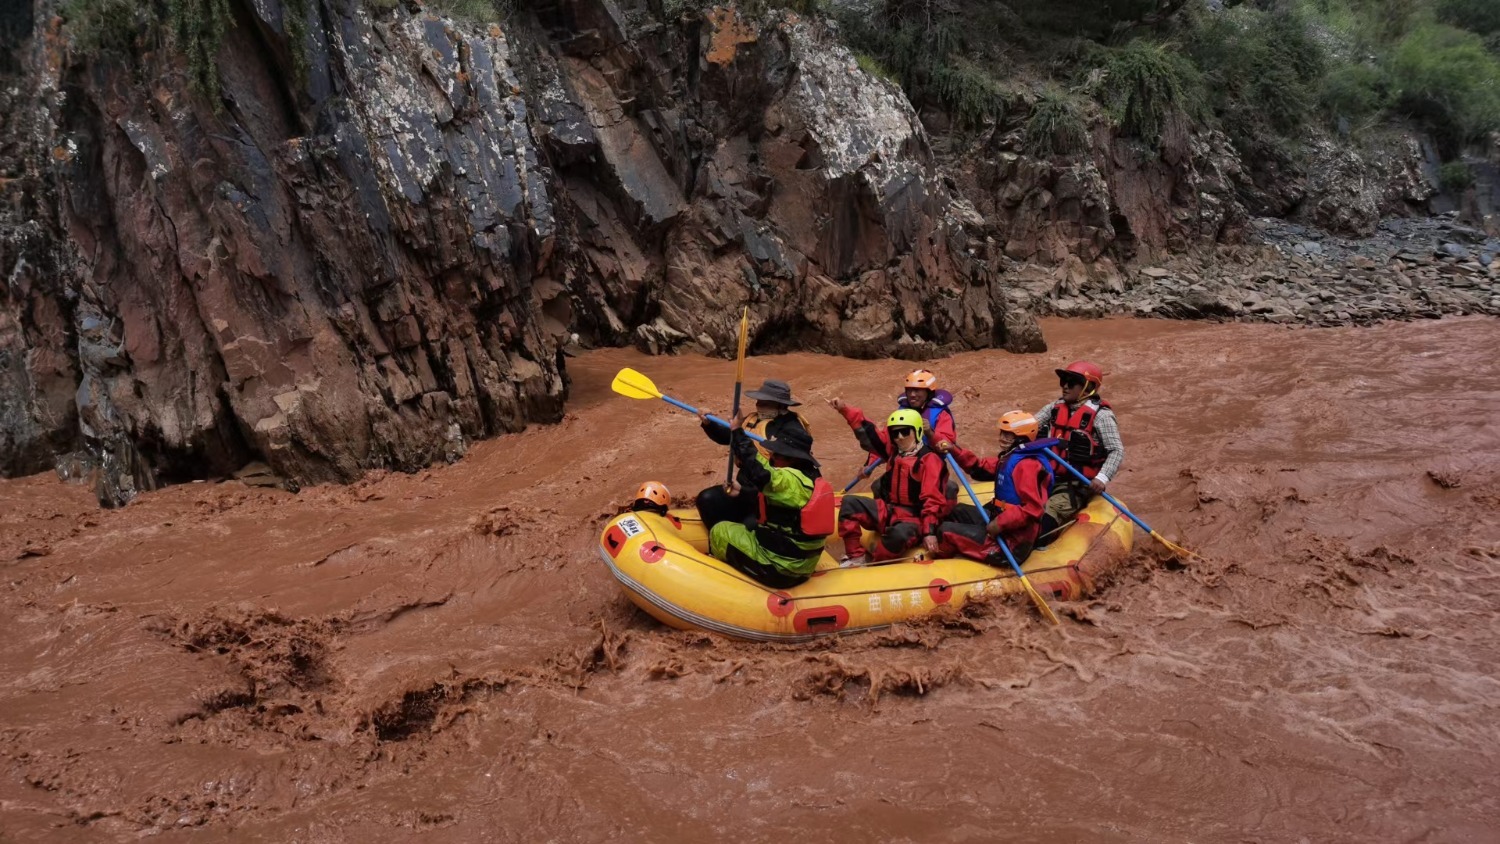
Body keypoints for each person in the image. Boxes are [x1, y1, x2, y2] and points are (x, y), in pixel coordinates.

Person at [705, 425, 834, 589]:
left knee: (720, 531)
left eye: (777, 455)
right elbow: (783, 507)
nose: (772, 458)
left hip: (778, 568)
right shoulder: (810, 478)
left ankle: (720, 582)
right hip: (801, 565)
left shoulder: (789, 480)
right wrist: (742, 492)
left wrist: (738, 433)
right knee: (746, 529)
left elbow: (760, 472)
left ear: (792, 459)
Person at [826, 401, 951, 566]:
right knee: (849, 503)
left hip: (914, 519)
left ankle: (876, 565)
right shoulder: (893, 452)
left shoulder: (929, 460)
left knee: (898, 536)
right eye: (895, 433)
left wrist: (929, 532)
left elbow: (932, 499)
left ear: (917, 432)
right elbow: (870, 434)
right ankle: (856, 558)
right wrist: (845, 410)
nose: (899, 437)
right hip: (890, 510)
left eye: (905, 432)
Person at [934, 412, 1054, 564]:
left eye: (1009, 435)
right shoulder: (1010, 458)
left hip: (1012, 544)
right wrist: (953, 450)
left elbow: (1033, 509)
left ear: (1022, 438)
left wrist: (999, 524)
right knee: (957, 511)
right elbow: (978, 467)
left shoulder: (1027, 466)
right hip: (1002, 525)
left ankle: (945, 563)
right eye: (1002, 433)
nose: (1002, 438)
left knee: (945, 530)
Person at [695, 379, 813, 527]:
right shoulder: (753, 419)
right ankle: (718, 540)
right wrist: (709, 423)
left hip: (770, 492)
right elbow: (729, 437)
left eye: (764, 402)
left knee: (751, 524)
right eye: (758, 400)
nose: (758, 404)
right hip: (743, 487)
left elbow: (790, 471)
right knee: (706, 498)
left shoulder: (793, 431)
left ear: (780, 405)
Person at [1033, 360, 1124, 536]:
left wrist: (1102, 478)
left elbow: (1116, 450)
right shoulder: (1054, 407)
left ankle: (1038, 537)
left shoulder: (1102, 416)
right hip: (1049, 475)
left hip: (1077, 484)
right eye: (1063, 382)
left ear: (1088, 387)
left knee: (1046, 516)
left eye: (1071, 382)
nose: (1065, 386)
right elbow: (1031, 425)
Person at [896, 369, 957, 450]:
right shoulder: (901, 411)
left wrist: (930, 433)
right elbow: (887, 439)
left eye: (917, 390)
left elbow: (947, 443)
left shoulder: (941, 414)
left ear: (929, 392)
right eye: (909, 390)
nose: (912, 394)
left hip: (931, 458)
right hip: (904, 457)